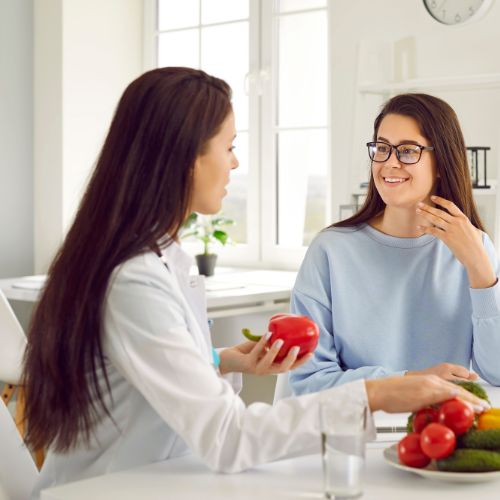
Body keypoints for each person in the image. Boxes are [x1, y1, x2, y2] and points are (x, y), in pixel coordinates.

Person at [21, 72, 487, 497]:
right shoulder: (134, 279)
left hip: (164, 478)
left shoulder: (166, 260)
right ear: (185, 159)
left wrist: (218, 360)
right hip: (110, 489)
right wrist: (380, 391)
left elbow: (141, 367)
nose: (237, 163)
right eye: (228, 147)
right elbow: (227, 436)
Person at [289, 93, 500, 396]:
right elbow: (309, 381)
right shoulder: (330, 251)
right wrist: (411, 380)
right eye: (383, 148)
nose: (389, 163)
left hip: (443, 430)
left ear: (441, 163)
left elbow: (495, 372)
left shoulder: (476, 248)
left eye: (407, 151)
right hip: (356, 432)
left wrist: (480, 270)